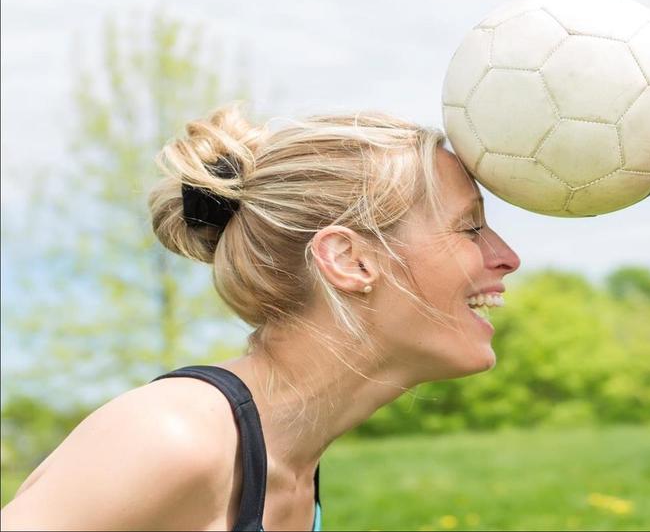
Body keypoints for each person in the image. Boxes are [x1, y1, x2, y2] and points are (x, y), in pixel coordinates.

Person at [0, 105, 520, 530]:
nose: (507, 257)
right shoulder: (172, 437)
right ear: (349, 260)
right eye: (470, 228)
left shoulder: (291, 466)